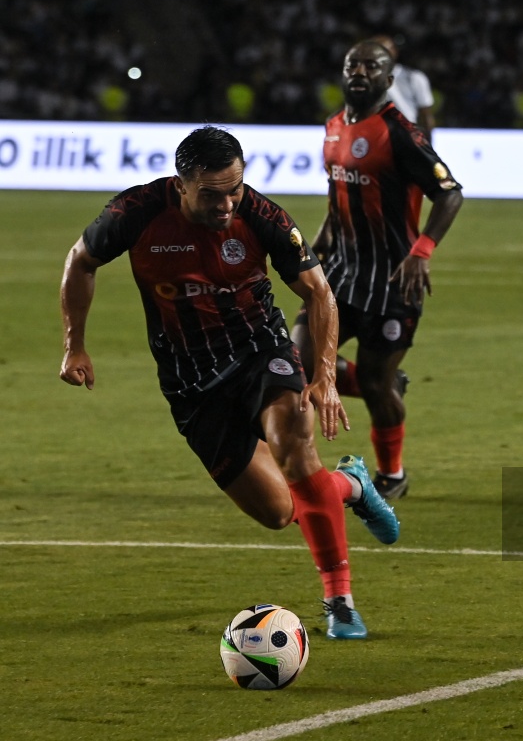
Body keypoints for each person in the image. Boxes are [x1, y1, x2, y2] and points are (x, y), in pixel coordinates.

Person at [59, 126, 399, 640]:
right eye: (212, 193)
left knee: (294, 444)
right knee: (279, 510)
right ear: (182, 184)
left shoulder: (262, 216)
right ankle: (351, 484)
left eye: (235, 188)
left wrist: (325, 376)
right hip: (192, 384)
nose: (227, 203)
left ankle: (340, 601)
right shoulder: (136, 212)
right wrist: (75, 344)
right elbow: (80, 261)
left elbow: (319, 293)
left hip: (261, 352)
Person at [292, 39, 464, 500]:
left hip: (392, 281)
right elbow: (339, 190)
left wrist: (422, 249)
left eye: (372, 66)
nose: (360, 71)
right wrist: (324, 236)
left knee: (374, 387)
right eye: (353, 64)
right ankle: (387, 383)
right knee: (296, 358)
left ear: (389, 80)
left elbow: (449, 192)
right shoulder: (331, 127)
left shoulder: (400, 132)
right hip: (341, 274)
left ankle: (393, 474)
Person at [370, 34, 437, 136]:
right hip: (375, 135)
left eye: (386, 50)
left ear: (395, 52)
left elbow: (426, 114)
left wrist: (428, 145)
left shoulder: (414, 77)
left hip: (406, 134)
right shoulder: (364, 80)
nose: (381, 55)